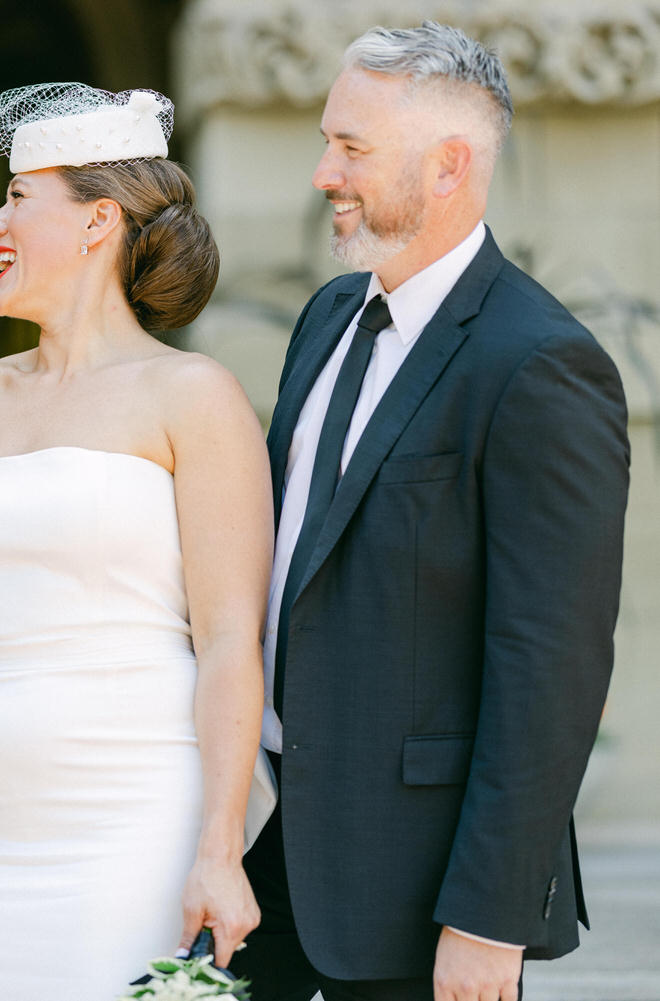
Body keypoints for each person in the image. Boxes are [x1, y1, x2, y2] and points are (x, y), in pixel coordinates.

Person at [230, 22, 629, 1001]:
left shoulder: (541, 364)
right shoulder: (326, 318)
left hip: (423, 882)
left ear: (450, 165)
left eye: (352, 147)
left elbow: (551, 663)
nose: (324, 172)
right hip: (283, 841)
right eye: (327, 140)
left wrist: (489, 915)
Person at [0, 83, 278, 1001]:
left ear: (96, 222)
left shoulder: (194, 396)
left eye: (18, 198)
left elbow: (232, 638)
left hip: (135, 820)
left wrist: (219, 847)